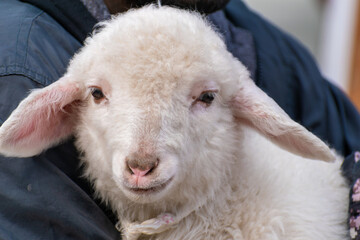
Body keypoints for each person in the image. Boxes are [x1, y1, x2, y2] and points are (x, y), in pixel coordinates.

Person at [0, 0, 359, 239]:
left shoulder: (251, 34)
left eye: (205, 97)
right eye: (97, 94)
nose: (143, 155)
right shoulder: (20, 64)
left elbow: (344, 142)